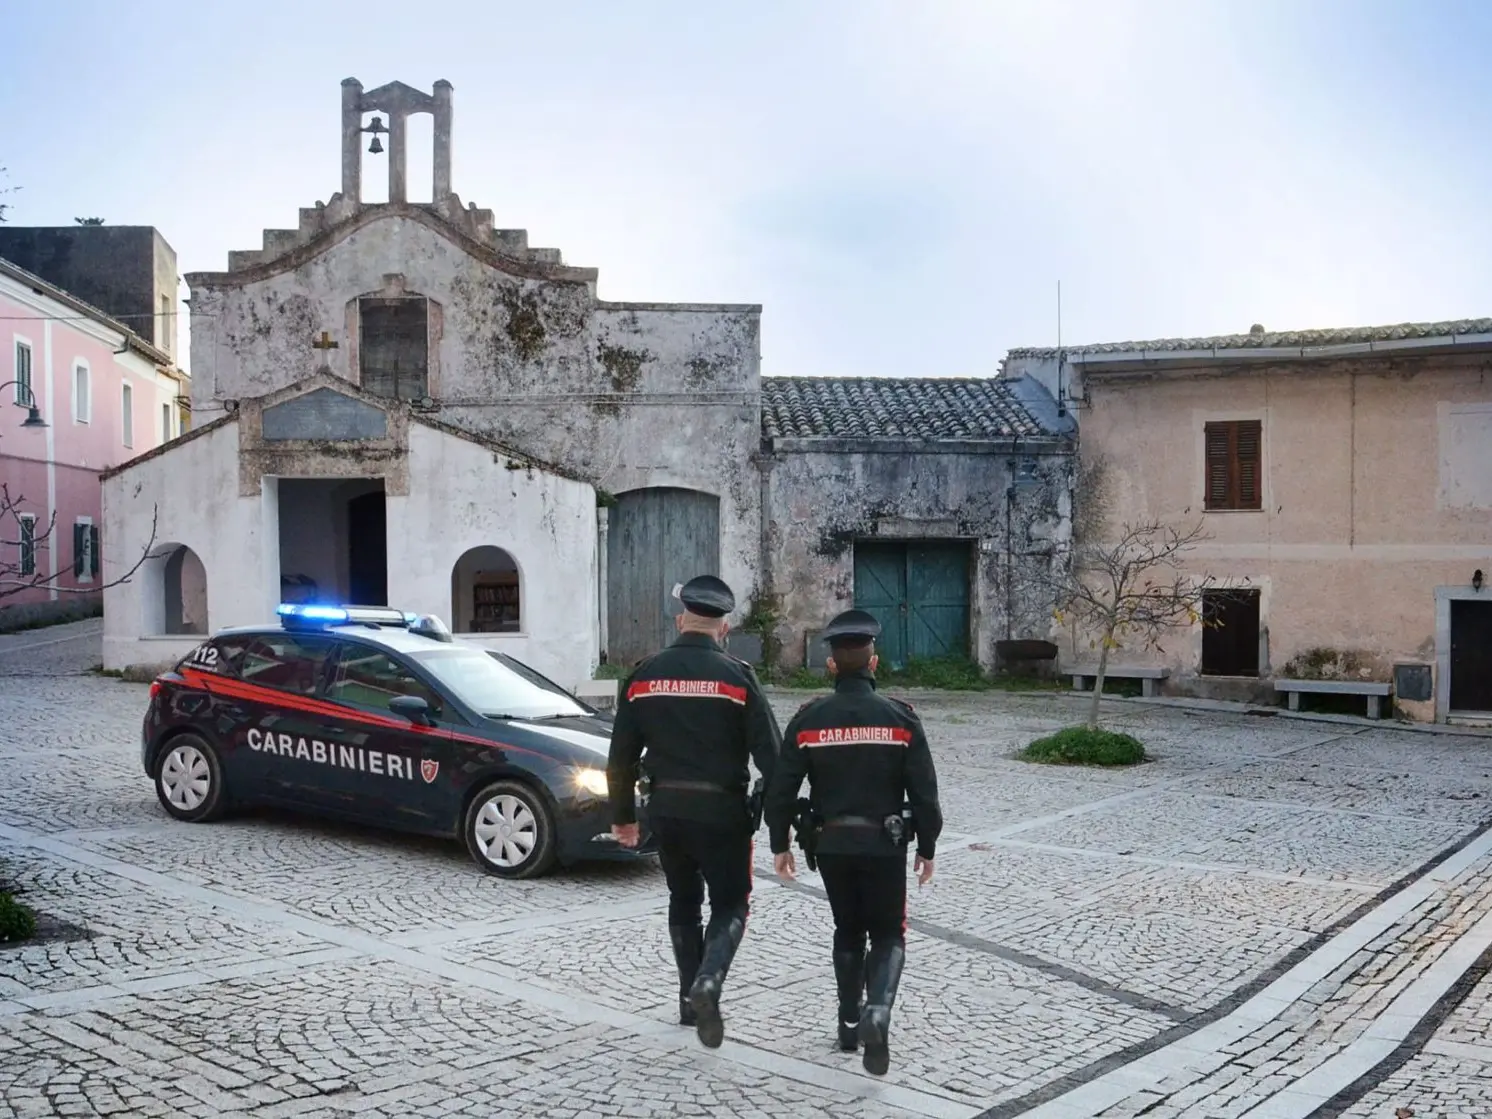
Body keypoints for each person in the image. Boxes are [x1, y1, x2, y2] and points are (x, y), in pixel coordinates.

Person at [763, 608, 943, 1077]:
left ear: (831, 666)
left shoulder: (808, 720)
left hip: (832, 845)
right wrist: (928, 847)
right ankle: (878, 1012)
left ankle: (848, 1023)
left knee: (847, 929)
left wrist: (779, 843)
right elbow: (925, 793)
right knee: (887, 933)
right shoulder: (901, 719)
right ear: (874, 663)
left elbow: (780, 790)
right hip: (885, 846)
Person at [606, 574, 782, 1050]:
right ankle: (709, 981)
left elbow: (620, 756)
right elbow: (773, 757)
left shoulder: (644, 675)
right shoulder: (738, 677)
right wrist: (780, 820)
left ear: (681, 619)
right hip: (722, 813)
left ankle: (688, 1000)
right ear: (724, 627)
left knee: (683, 898)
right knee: (731, 903)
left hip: (666, 811)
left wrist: (622, 818)